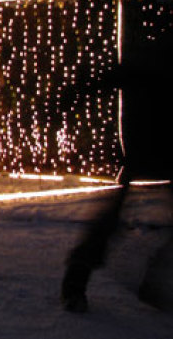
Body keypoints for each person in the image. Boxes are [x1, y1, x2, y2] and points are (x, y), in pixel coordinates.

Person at [61, 36, 173, 312]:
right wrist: (77, 92)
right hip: (150, 146)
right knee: (111, 215)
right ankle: (78, 275)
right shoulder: (158, 55)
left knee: (112, 214)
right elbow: (117, 76)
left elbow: (114, 76)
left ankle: (79, 274)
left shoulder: (155, 53)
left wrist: (76, 92)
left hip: (150, 146)